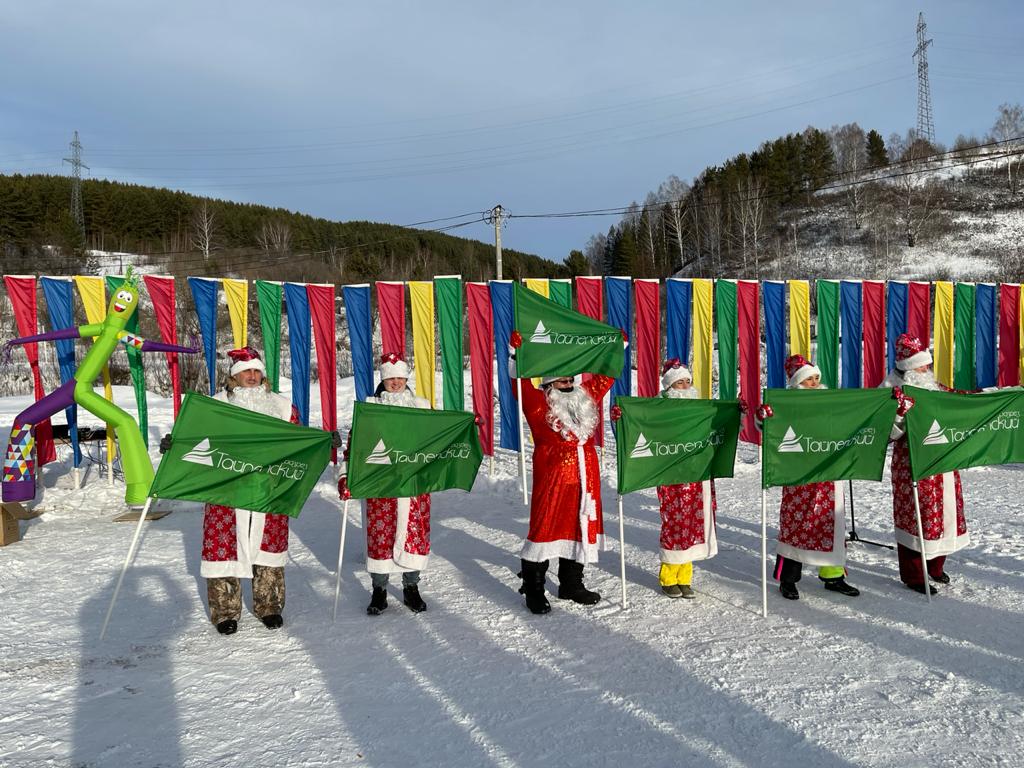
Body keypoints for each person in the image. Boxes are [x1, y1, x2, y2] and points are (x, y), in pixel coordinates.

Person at [160, 346, 301, 636]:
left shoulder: (282, 406)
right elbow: (195, 438)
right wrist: (175, 445)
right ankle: (225, 611)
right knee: (224, 546)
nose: (251, 376)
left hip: (267, 488)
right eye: (245, 371)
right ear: (234, 377)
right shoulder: (217, 405)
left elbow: (299, 443)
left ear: (263, 374)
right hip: (227, 488)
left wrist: (325, 442)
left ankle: (269, 606)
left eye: (256, 371)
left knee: (268, 547)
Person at [510, 337, 615, 614]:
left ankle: (571, 583)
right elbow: (518, 385)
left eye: (570, 380)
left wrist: (616, 348)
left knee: (579, 526)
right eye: (561, 382)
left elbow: (606, 377)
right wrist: (516, 355)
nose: (568, 385)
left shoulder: (584, 400)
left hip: (585, 477)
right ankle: (534, 588)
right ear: (548, 386)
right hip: (552, 478)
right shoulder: (537, 404)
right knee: (544, 528)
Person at [338, 353, 431, 616]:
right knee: (381, 537)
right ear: (383, 379)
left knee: (413, 535)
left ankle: (411, 588)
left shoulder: (422, 407)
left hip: (413, 484)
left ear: (406, 377)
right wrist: (346, 476)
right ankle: (379, 590)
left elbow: (437, 438)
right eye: (390, 378)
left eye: (400, 377)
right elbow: (356, 446)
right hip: (381, 485)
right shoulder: (370, 408)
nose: (395, 382)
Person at [761, 354, 860, 601]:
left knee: (830, 525)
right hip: (799, 476)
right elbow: (769, 428)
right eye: (808, 379)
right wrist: (763, 417)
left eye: (816, 378)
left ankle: (834, 576)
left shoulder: (830, 402)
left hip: (829, 475)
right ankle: (788, 579)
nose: (815, 383)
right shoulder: (787, 404)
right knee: (797, 526)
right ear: (797, 382)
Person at [882, 333, 969, 595]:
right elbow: (884, 434)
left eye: (926, 364)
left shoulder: (933, 386)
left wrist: (995, 396)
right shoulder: (889, 390)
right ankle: (914, 574)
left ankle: (935, 565)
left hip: (942, 462)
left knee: (943, 515)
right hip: (912, 464)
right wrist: (898, 415)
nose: (925, 369)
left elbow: (961, 403)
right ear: (908, 367)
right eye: (921, 365)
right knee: (916, 517)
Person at [653, 359, 717, 599]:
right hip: (672, 474)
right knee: (675, 522)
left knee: (693, 523)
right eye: (679, 383)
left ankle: (685, 577)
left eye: (687, 382)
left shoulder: (699, 408)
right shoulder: (659, 408)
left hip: (697, 473)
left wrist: (736, 413)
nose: (685, 386)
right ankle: (669, 577)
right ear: (669, 387)